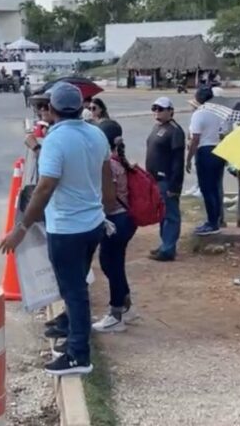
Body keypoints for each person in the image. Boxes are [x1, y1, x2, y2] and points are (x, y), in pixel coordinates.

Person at [0, 82, 115, 376]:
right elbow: (106, 179)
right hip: (92, 224)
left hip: (67, 228)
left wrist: (21, 229)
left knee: (73, 291)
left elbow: (45, 187)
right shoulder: (96, 134)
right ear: (80, 107)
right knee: (76, 287)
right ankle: (75, 340)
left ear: (51, 110)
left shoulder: (55, 140)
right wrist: (107, 212)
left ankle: (79, 355)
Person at [93, 120, 139, 333]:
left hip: (115, 220)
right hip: (125, 220)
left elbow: (109, 200)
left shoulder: (109, 164)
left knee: (110, 264)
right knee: (115, 264)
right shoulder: (118, 159)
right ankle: (126, 305)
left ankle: (116, 314)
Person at [145, 97, 185, 261]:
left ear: (170, 111)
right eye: (154, 109)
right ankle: (165, 244)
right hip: (155, 179)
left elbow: (178, 161)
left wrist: (175, 186)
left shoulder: (175, 131)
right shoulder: (158, 127)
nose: (157, 112)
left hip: (167, 179)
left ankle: (168, 249)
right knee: (162, 213)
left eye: (161, 109)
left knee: (171, 215)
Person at [186, 87, 226, 236]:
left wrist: (189, 158)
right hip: (219, 150)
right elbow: (224, 132)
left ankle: (212, 222)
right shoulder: (219, 112)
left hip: (205, 151)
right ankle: (216, 219)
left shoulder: (199, 114)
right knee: (215, 187)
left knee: (206, 189)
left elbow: (195, 139)